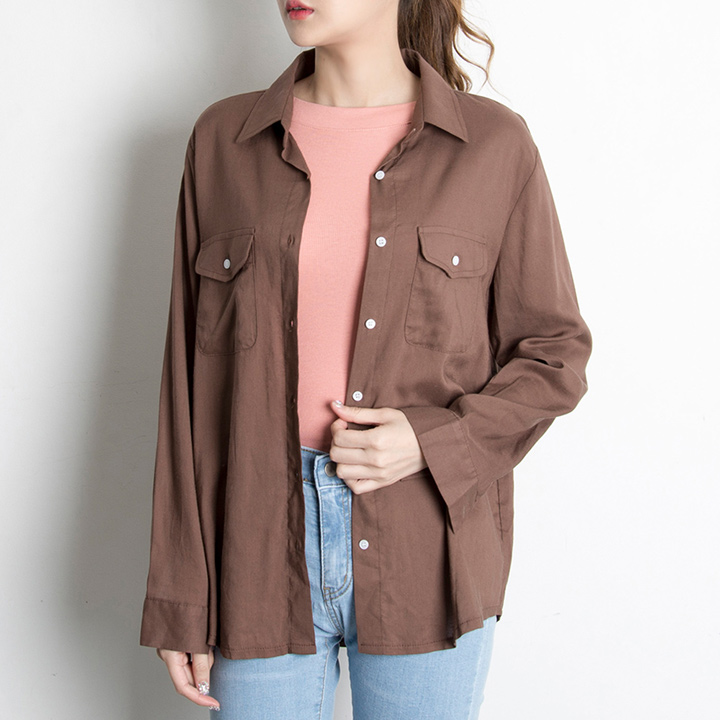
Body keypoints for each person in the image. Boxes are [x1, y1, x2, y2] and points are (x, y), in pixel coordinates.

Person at [139, 1, 592, 717]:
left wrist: (432, 441)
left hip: (427, 545)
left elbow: (554, 353)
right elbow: (186, 389)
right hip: (252, 547)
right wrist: (180, 596)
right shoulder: (224, 141)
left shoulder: (494, 146)